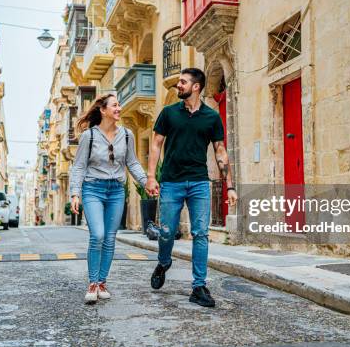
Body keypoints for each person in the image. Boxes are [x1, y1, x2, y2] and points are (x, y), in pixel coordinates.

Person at [145, 68, 238, 308]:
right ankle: (164, 262)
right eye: (179, 82)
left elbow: (220, 151)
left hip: (198, 183)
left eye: (183, 82)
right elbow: (156, 144)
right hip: (171, 182)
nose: (179, 85)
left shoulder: (211, 117)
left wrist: (230, 186)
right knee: (166, 232)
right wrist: (151, 177)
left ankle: (198, 286)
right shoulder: (168, 113)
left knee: (201, 233)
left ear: (196, 87)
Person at [69, 94, 147, 304]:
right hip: (93, 189)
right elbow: (79, 166)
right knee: (98, 235)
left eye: (119, 105)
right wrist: (75, 193)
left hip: (116, 191)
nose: (119, 108)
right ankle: (92, 283)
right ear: (103, 110)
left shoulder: (128, 135)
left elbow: (133, 162)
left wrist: (145, 181)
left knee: (110, 238)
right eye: (115, 105)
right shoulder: (89, 136)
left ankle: (102, 282)